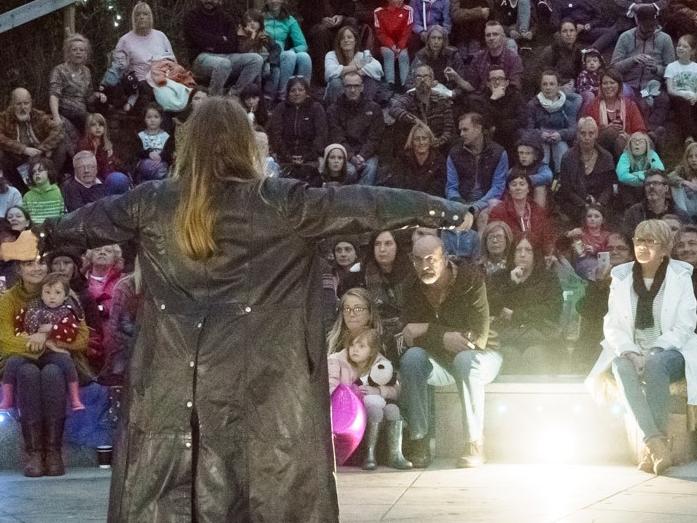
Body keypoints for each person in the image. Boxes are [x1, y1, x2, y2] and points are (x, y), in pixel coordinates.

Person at [30, 96, 470, 520]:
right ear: (244, 144)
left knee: (177, 497)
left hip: (173, 387)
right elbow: (367, 204)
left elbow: (83, 223)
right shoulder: (280, 202)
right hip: (260, 389)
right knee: (258, 494)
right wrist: (447, 211)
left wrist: (43, 235)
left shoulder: (152, 202)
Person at [587, 219, 697, 475]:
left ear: (665, 248)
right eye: (639, 240)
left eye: (650, 241)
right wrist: (630, 351)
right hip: (632, 349)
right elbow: (612, 324)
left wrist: (655, 350)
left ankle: (652, 447)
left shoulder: (680, 276)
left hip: (672, 350)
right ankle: (656, 445)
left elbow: (685, 325)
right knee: (619, 366)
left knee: (657, 364)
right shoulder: (622, 276)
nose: (642, 246)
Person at [399, 235, 500, 468]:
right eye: (417, 260)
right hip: (440, 362)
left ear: (444, 258)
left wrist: (428, 330)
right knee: (412, 358)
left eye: (430, 259)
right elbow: (409, 337)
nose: (424, 266)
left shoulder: (471, 279)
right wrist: (443, 336)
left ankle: (475, 443)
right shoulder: (410, 286)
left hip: (483, 358)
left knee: (465, 360)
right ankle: (420, 439)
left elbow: (478, 337)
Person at [0, 256, 89, 478]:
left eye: (40, 262)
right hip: (19, 360)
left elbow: (83, 337)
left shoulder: (63, 292)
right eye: (29, 264)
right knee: (27, 372)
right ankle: (34, 453)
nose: (36, 268)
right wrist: (40, 343)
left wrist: (53, 342)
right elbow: (5, 339)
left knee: (52, 373)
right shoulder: (9, 299)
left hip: (57, 360)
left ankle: (53, 452)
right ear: (18, 270)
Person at [0, 272, 86, 413]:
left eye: (57, 293)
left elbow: (74, 334)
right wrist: (29, 338)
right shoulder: (30, 308)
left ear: (65, 296)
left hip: (54, 353)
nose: (52, 296)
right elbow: (15, 329)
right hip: (29, 351)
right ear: (41, 294)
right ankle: (6, 399)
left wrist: (53, 330)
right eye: (47, 292)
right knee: (14, 364)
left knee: (63, 364)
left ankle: (75, 398)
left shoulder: (68, 311)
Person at [328, 328, 412, 470]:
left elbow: (397, 390)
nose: (355, 350)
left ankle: (395, 454)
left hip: (374, 403)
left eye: (361, 346)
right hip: (350, 411)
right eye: (352, 345)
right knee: (375, 410)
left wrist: (379, 390)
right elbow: (331, 383)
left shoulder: (381, 364)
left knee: (392, 409)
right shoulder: (337, 360)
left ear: (372, 351)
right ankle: (369, 454)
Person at [489, 237, 563, 373]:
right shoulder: (499, 277)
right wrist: (511, 285)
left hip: (539, 336)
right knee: (509, 355)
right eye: (518, 250)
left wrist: (516, 315)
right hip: (507, 337)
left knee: (534, 355)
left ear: (535, 254)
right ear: (512, 254)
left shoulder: (548, 278)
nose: (522, 254)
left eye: (528, 250)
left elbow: (553, 309)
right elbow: (492, 307)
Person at [611, 4, 675, 141]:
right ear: (637, 22)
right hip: (629, 84)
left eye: (652, 27)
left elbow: (672, 69)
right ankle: (640, 134)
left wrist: (656, 68)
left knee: (663, 100)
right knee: (630, 99)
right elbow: (613, 67)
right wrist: (632, 60)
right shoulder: (625, 37)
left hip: (652, 86)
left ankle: (649, 132)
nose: (649, 31)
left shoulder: (665, 39)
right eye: (645, 28)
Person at [575, 232, 634, 368]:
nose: (614, 252)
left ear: (631, 254)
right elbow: (587, 310)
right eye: (610, 248)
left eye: (621, 248)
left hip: (627, 337)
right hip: (597, 337)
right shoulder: (598, 277)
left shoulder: (637, 279)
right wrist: (599, 284)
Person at [183, 0, 263, 98]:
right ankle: (214, 101)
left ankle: (233, 96)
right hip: (201, 57)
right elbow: (199, 40)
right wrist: (222, 39)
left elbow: (233, 44)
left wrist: (212, 42)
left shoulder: (226, 18)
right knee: (223, 64)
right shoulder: (191, 16)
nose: (209, 1)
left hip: (227, 56)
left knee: (256, 59)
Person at [0, 88, 65, 193]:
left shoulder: (38, 115)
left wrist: (42, 149)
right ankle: (20, 189)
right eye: (18, 104)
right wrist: (24, 149)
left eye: (26, 103)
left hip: (39, 155)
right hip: (16, 158)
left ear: (31, 103)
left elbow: (58, 129)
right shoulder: (4, 117)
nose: (23, 107)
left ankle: (51, 181)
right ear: (12, 104)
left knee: (61, 146)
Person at [446, 112, 508, 217]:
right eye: (460, 130)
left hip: (488, 203)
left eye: (465, 130)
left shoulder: (499, 153)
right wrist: (460, 204)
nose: (461, 134)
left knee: (484, 216)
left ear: (478, 129)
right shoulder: (454, 153)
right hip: (461, 202)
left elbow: (498, 187)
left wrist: (478, 206)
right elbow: (451, 187)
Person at [268, 77, 327, 186]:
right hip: (285, 158)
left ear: (306, 92)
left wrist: (306, 157)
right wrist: (288, 157)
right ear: (288, 93)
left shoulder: (316, 108)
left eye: (300, 90)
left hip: (310, 158)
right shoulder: (281, 108)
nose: (297, 93)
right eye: (293, 90)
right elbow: (275, 135)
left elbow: (321, 135)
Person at [327, 72, 384, 185]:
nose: (352, 90)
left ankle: (363, 202)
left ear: (362, 87)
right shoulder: (333, 110)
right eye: (349, 86)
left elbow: (375, 138)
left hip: (367, 154)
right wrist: (351, 156)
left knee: (370, 169)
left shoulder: (374, 108)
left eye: (356, 86)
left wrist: (363, 155)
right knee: (350, 171)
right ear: (343, 88)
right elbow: (337, 136)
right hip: (343, 153)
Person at [557, 117, 616, 223]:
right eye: (583, 133)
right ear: (578, 135)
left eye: (591, 133)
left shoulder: (606, 157)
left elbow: (608, 187)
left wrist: (599, 204)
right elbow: (567, 189)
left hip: (599, 202)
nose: (587, 137)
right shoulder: (567, 157)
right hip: (576, 202)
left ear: (596, 135)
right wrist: (585, 205)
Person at [583, 68, 647, 159]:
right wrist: (605, 129)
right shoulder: (592, 106)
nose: (608, 86)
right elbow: (586, 131)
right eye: (605, 83)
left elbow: (640, 130)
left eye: (612, 83)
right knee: (611, 132)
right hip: (600, 145)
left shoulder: (630, 105)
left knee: (620, 141)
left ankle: (625, 168)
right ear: (600, 86)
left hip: (625, 144)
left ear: (619, 85)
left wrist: (628, 136)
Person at [48, 33, 103, 141]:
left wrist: (98, 95)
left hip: (82, 114)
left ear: (86, 54)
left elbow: (88, 97)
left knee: (97, 121)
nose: (78, 52)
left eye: (81, 50)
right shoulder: (59, 70)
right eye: (74, 50)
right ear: (68, 53)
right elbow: (54, 95)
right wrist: (56, 117)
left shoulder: (86, 71)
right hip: (65, 112)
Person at [389, 64, 455, 151]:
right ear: (414, 81)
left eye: (426, 76)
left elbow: (448, 129)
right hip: (414, 146)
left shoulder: (442, 100)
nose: (422, 80)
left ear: (432, 81)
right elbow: (394, 109)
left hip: (438, 146)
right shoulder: (409, 97)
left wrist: (438, 142)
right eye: (418, 77)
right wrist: (417, 121)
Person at [527, 70, 582, 174]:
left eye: (552, 84)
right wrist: (540, 134)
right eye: (545, 84)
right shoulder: (533, 104)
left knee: (561, 147)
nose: (548, 87)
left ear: (558, 86)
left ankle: (562, 179)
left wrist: (560, 135)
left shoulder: (568, 105)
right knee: (543, 149)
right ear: (540, 86)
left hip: (561, 139)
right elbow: (528, 128)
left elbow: (573, 129)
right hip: (540, 139)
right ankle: (544, 179)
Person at [488, 173, 553, 253]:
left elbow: (547, 237)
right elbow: (496, 238)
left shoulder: (538, 211)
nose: (518, 188)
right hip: (509, 254)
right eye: (514, 185)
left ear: (528, 189)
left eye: (522, 184)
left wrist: (548, 254)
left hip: (536, 255)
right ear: (509, 190)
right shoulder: (498, 211)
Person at [468, 66, 527, 155]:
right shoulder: (480, 99)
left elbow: (523, 119)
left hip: (510, 136)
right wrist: (493, 99)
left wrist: (500, 125)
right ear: (487, 83)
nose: (497, 82)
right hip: (491, 138)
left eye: (501, 79)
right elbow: (483, 122)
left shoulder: (515, 96)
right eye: (493, 79)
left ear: (507, 82)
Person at [263, 0, 312, 102]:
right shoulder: (260, 18)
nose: (274, 1)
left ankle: (305, 95)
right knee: (289, 55)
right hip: (266, 52)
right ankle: (284, 96)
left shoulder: (289, 19)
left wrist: (293, 49)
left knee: (304, 57)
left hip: (281, 52)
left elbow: (303, 45)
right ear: (266, 1)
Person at [115, 2, 176, 84]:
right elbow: (118, 69)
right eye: (138, 14)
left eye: (145, 14)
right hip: (141, 84)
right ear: (134, 18)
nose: (141, 17)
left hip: (166, 80)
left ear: (150, 17)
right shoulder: (125, 41)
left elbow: (173, 61)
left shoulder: (161, 36)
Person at [301, 0, 358, 85]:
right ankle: (324, 77)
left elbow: (349, 5)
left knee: (350, 22)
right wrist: (321, 19)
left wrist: (341, 16)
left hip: (339, 24)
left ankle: (352, 71)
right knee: (321, 31)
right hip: (316, 24)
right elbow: (304, 10)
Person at [405, 25, 468, 99]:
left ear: (444, 41)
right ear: (428, 40)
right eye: (433, 38)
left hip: (448, 95)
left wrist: (454, 93)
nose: (436, 42)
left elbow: (462, 82)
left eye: (439, 38)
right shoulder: (421, 56)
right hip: (426, 94)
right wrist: (425, 85)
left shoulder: (453, 55)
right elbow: (408, 83)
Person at [324, 25, 383, 104]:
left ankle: (365, 108)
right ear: (339, 42)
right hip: (337, 97)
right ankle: (340, 112)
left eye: (349, 37)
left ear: (355, 41)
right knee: (335, 82)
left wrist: (362, 71)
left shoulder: (362, 55)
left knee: (370, 80)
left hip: (358, 94)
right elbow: (329, 73)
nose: (346, 40)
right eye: (342, 38)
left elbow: (378, 68)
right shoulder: (331, 55)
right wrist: (355, 67)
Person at [386, 121, 446, 195]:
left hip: (429, 201)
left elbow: (439, 187)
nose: (421, 142)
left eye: (424, 138)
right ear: (411, 141)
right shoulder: (403, 159)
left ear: (430, 140)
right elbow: (398, 183)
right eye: (417, 139)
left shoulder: (439, 160)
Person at [623, 170, 689, 237]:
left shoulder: (679, 214)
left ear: (666, 188)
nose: (651, 187)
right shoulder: (634, 213)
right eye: (648, 184)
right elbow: (627, 238)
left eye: (656, 183)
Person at [467, 21, 524, 93]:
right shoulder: (478, 57)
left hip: (506, 99)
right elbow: (472, 85)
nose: (491, 38)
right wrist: (456, 77)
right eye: (488, 35)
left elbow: (515, 86)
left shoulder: (514, 59)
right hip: (482, 99)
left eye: (495, 34)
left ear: (503, 37)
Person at [616, 132, 665, 207]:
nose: (637, 144)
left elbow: (659, 170)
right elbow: (622, 175)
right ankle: (630, 208)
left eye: (641, 142)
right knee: (623, 185)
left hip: (647, 186)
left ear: (646, 145)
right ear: (629, 144)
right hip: (631, 188)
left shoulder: (652, 154)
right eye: (634, 141)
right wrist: (644, 179)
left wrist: (639, 174)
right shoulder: (625, 155)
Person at [506, 131, 553, 208]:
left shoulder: (541, 167)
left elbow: (548, 176)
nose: (524, 156)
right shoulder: (514, 169)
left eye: (528, 153)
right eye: (521, 153)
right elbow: (507, 179)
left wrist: (527, 180)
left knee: (540, 188)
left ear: (536, 156)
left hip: (536, 202)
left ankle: (538, 216)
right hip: (519, 201)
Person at [374, 0, 414, 90]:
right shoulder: (378, 11)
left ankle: (406, 85)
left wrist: (400, 46)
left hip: (402, 44)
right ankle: (390, 84)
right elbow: (380, 33)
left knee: (403, 55)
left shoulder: (408, 10)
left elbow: (407, 31)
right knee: (389, 54)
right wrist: (391, 45)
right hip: (386, 44)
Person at [665, 34, 697, 143]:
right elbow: (670, 90)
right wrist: (684, 95)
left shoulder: (695, 67)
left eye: (685, 46)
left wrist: (695, 97)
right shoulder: (671, 67)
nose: (680, 48)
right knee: (683, 104)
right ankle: (689, 137)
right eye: (679, 45)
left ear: (692, 51)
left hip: (694, 97)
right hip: (678, 97)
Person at [566, 203, 611, 280]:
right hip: (583, 264)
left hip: (604, 263)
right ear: (585, 219)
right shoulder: (579, 232)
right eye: (589, 216)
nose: (592, 219)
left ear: (603, 220)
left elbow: (611, 252)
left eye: (596, 216)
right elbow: (561, 242)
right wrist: (568, 234)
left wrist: (596, 251)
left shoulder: (608, 235)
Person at [537, 20, 583, 89]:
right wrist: (561, 85)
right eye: (564, 31)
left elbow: (580, 73)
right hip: (552, 88)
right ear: (560, 34)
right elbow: (542, 75)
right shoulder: (551, 51)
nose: (568, 34)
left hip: (572, 87)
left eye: (572, 31)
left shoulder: (578, 52)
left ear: (576, 33)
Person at [134, 103, 171, 183]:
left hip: (161, 164)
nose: (152, 120)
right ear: (144, 119)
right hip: (145, 166)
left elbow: (169, 153)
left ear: (161, 119)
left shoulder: (166, 136)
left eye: (156, 117)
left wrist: (161, 156)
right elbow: (137, 152)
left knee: (162, 169)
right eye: (149, 117)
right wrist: (148, 154)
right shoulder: (140, 135)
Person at [77, 113, 120, 182]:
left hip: (106, 174)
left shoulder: (106, 143)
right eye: (94, 125)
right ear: (88, 128)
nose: (98, 127)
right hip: (89, 177)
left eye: (101, 125)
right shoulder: (83, 144)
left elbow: (114, 164)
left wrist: (112, 159)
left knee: (118, 178)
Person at [22, 157, 64, 225]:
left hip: (55, 230)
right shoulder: (27, 196)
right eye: (34, 172)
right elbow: (25, 218)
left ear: (49, 172)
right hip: (34, 231)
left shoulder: (58, 192)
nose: (37, 174)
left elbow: (63, 213)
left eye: (40, 170)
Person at [669, 141, 697, 219]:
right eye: (690, 156)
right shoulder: (682, 170)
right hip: (687, 207)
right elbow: (669, 178)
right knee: (676, 186)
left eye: (696, 156)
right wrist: (685, 182)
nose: (694, 159)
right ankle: (684, 217)